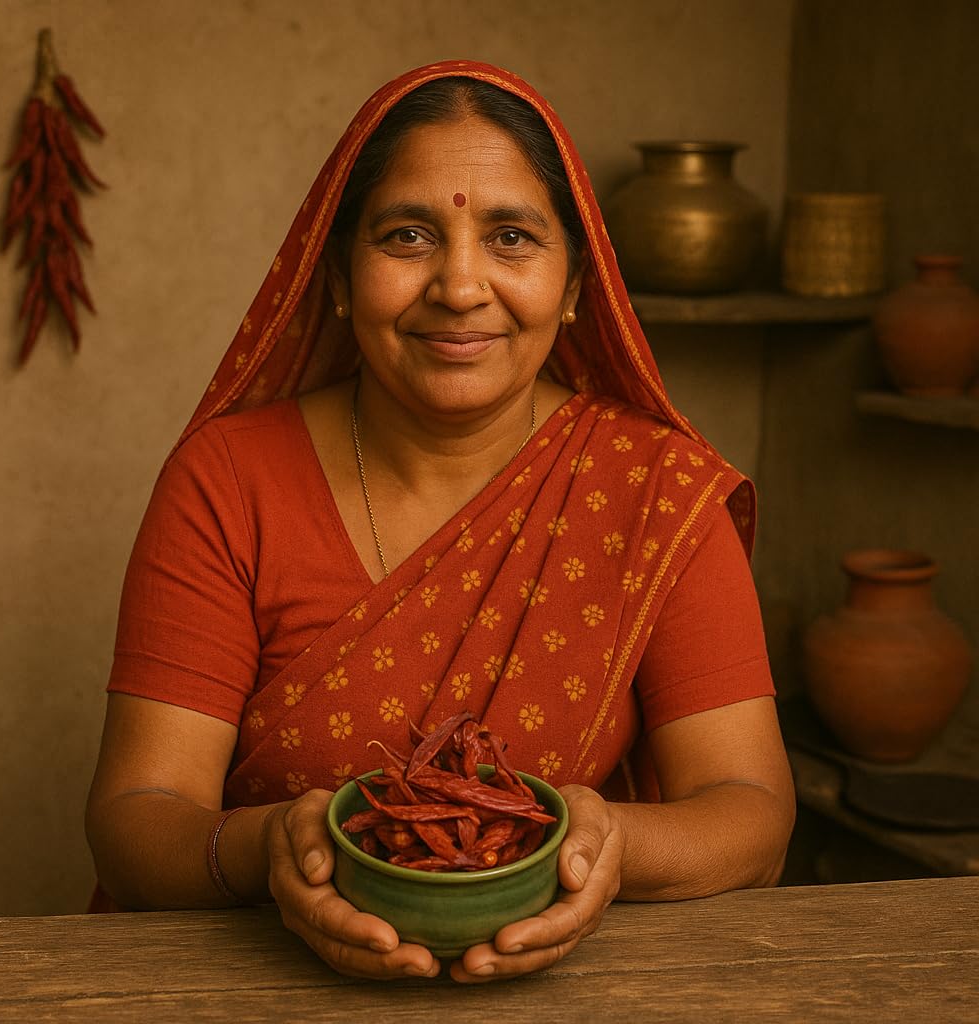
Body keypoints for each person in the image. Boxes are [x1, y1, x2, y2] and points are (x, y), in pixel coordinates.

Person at [85, 60, 795, 984]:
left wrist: (608, 843)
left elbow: (751, 812)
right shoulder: (227, 481)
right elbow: (136, 819)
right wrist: (270, 850)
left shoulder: (655, 492)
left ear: (575, 285)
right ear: (338, 277)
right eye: (408, 236)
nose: (460, 287)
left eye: (511, 237)